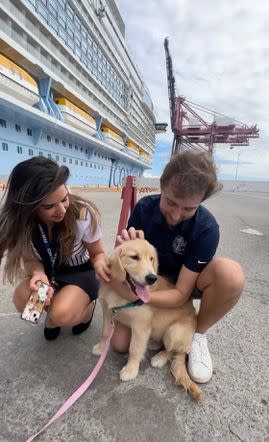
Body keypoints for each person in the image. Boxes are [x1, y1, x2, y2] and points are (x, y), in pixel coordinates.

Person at [108, 149, 245, 384]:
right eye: (171, 202)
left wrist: (136, 297)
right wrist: (123, 247)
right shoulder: (144, 208)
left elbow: (181, 294)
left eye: (188, 209)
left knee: (230, 274)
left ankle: (197, 334)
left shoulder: (206, 229)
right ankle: (160, 330)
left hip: (184, 285)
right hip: (150, 279)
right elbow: (127, 259)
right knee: (119, 344)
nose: (175, 214)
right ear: (162, 185)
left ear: (201, 201)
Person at [0, 156, 109, 341]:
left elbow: (97, 253)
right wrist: (37, 273)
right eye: (49, 206)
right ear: (29, 206)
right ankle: (56, 310)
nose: (62, 210)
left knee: (62, 314)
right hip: (49, 272)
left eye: (64, 199)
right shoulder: (24, 223)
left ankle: (84, 310)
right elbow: (29, 259)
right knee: (27, 306)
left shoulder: (82, 214)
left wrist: (100, 264)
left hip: (80, 271)